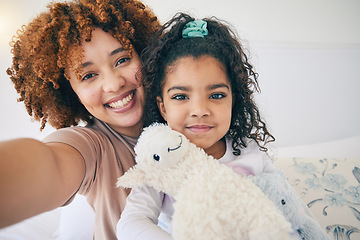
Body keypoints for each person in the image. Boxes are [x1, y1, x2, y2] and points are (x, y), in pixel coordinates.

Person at [116, 13, 313, 240]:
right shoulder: (161, 162)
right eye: (180, 96)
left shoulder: (248, 151)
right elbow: (131, 223)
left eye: (216, 95)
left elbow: (291, 206)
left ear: (233, 101)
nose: (199, 109)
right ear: (163, 107)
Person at [0, 0, 160, 238]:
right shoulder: (92, 147)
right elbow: (51, 165)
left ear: (145, 55)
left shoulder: (193, 118)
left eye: (122, 60)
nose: (114, 83)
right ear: (70, 92)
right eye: (88, 75)